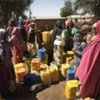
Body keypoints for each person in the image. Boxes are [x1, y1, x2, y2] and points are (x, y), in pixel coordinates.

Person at [75, 20, 100, 99]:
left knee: (87, 88)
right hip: (90, 69)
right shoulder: (95, 40)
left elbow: (91, 59)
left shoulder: (97, 42)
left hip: (90, 71)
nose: (93, 32)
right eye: (93, 29)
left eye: (95, 29)